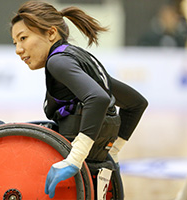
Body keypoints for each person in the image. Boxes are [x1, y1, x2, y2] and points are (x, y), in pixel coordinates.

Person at [10, 1, 148, 198]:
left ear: (51, 33)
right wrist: (113, 149)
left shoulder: (58, 61)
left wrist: (75, 158)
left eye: (23, 38)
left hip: (71, 155)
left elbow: (98, 99)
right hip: (95, 157)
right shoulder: (80, 58)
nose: (18, 49)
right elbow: (136, 103)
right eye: (15, 42)